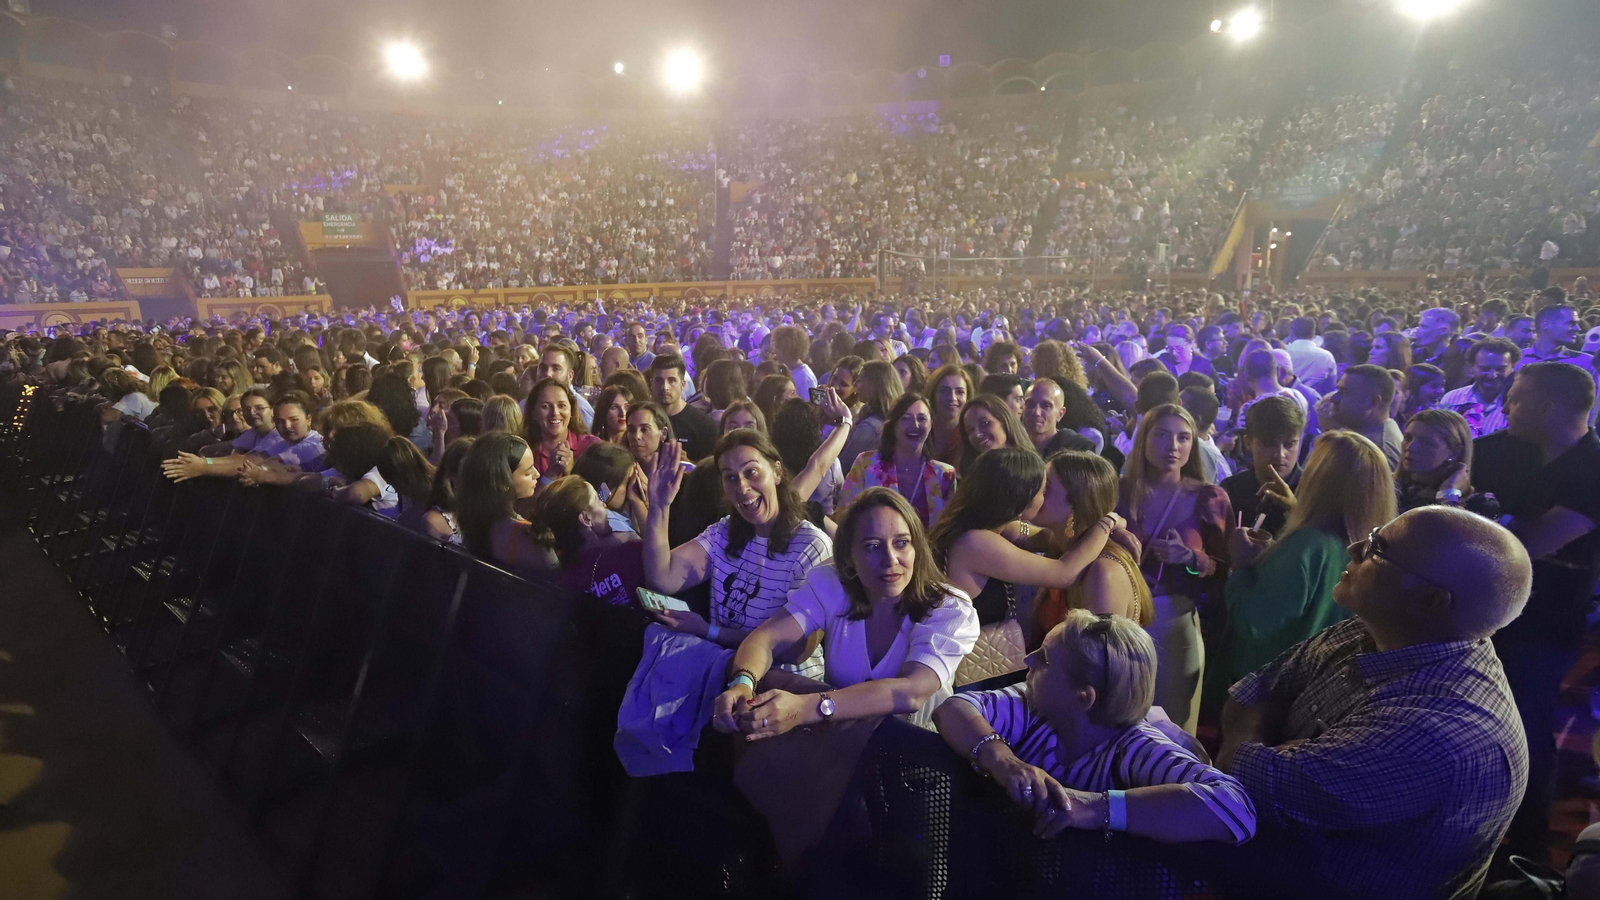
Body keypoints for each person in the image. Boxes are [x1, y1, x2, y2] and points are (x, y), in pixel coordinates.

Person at [1214, 506, 1531, 899]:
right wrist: (1265, 748)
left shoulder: (1436, 733)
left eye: (1377, 547)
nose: (1354, 547)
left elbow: (1242, 779)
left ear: (1430, 599)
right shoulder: (1385, 628)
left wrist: (1251, 744)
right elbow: (1253, 693)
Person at [933, 610, 1255, 845]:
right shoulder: (1035, 708)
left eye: (1045, 660)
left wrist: (1091, 808)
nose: (1028, 660)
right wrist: (1004, 761)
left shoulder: (1133, 748)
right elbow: (952, 708)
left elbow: (1236, 806)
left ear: (1083, 696)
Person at [712, 487, 980, 737]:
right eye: (872, 546)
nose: (890, 559)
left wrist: (805, 708)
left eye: (901, 543)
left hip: (921, 748)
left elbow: (910, 692)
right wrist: (743, 682)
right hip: (845, 746)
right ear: (849, 557)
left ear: (917, 549)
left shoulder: (950, 608)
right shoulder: (832, 583)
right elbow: (766, 638)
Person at [1472, 361, 1600, 862]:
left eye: (1517, 398)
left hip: (1546, 622)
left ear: (1547, 408)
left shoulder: (1591, 469)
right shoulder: (1521, 453)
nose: (1507, 407)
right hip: (1504, 613)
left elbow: (1527, 546)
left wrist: (1489, 525)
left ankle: (1529, 848)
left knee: (1526, 724)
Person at [1208, 431, 1396, 711]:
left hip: (1266, 696)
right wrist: (1274, 557)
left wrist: (1241, 566)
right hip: (1318, 695)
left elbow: (1252, 621)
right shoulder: (1372, 549)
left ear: (1321, 479)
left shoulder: (1307, 545)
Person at [641, 431, 832, 679]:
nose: (741, 487)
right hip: (724, 671)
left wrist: (708, 631)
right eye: (730, 477)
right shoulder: (723, 532)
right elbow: (663, 578)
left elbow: (793, 649)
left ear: (776, 472)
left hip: (783, 685)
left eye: (751, 472)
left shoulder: (811, 545)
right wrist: (659, 506)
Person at [928, 448, 1130, 681]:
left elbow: (1036, 536)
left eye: (1046, 488)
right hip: (942, 666)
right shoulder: (976, 541)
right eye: (1041, 488)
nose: (1039, 493)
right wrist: (1108, 521)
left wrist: (1110, 527)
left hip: (957, 661)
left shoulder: (985, 525)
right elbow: (1064, 572)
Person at [1119, 404, 1232, 733]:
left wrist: (1191, 559)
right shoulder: (1120, 491)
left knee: (1174, 726)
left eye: (1183, 438)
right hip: (1121, 616)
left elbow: (1227, 569)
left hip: (1174, 619)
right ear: (1144, 439)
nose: (1173, 446)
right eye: (1162, 435)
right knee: (1120, 718)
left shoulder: (1209, 498)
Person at [1029, 451, 1153, 639]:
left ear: (1076, 505)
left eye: (1046, 488)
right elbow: (1013, 531)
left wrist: (1109, 522)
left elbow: (1100, 655)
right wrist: (1112, 522)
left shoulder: (1103, 572)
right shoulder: (1057, 541)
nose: (1034, 493)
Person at [838, 392, 958, 532]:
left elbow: (949, 529)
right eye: (906, 419)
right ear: (893, 424)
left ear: (931, 424)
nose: (915, 425)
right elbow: (844, 515)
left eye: (921, 419)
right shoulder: (866, 464)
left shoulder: (945, 475)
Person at [457, 432, 556, 576]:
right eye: (528, 472)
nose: (537, 474)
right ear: (503, 481)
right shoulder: (529, 537)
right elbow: (557, 582)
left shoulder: (468, 521)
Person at [540, 474, 646, 607]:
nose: (604, 504)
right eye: (597, 500)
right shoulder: (631, 553)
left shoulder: (561, 582)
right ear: (586, 519)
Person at [1318, 364, 1402, 470]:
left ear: (1373, 402)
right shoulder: (1364, 436)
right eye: (1338, 390)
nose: (1334, 398)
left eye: (1344, 392)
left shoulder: (1377, 452)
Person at [522, 377, 601, 483]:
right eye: (546, 406)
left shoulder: (592, 447)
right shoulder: (523, 451)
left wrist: (570, 473)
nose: (555, 412)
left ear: (571, 410)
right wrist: (551, 474)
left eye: (562, 406)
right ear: (533, 412)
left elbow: (599, 493)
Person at [1396, 409, 1475, 513]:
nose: (1410, 447)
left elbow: (1454, 523)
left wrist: (1449, 493)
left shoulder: (1479, 505)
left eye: (1426, 442)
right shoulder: (1388, 488)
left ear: (1454, 453)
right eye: (1407, 438)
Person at [1438, 338, 1518, 439]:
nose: (1492, 375)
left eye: (1500, 369)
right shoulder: (1451, 399)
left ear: (1512, 367)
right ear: (1471, 367)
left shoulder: (1518, 404)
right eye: (1485, 369)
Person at [650, 354, 717, 459]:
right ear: (651, 384)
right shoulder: (641, 421)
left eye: (672, 380)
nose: (665, 387)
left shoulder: (704, 425)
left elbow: (710, 466)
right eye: (659, 380)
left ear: (683, 384)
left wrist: (689, 464)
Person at [954, 393, 1032, 477]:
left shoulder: (1031, 469)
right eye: (970, 430)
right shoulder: (973, 474)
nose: (977, 434)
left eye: (985, 423)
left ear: (1004, 420)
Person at [1021, 378, 1094, 457]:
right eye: (1030, 404)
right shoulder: (1014, 444)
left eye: (1046, 406)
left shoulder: (1077, 450)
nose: (1036, 412)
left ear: (1060, 414)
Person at [1516, 304, 1592, 369]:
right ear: (1545, 325)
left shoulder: (1585, 362)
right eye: (1571, 324)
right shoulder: (1515, 359)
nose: (1578, 328)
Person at [538, 344, 595, 429]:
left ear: (570, 375)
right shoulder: (526, 403)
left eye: (556, 369)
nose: (548, 374)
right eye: (543, 368)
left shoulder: (581, 410)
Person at [926, 363, 974, 465]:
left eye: (960, 392)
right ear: (933, 394)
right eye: (944, 391)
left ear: (968, 397)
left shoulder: (971, 435)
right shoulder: (920, 428)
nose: (952, 398)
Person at [1285, 317, 1336, 392]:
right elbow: (1331, 387)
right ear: (1313, 333)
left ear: (1291, 332)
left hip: (1286, 397)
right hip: (1316, 398)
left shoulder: (1283, 352)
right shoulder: (1327, 356)